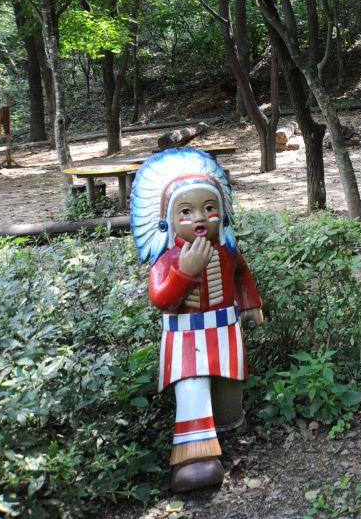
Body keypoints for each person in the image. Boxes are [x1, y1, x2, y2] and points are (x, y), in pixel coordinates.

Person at [130, 148, 265, 492]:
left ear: (222, 213)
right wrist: (184, 273)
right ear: (169, 219)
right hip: (186, 338)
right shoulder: (168, 258)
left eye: (209, 208)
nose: (200, 218)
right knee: (192, 389)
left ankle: (225, 431)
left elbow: (241, 275)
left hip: (224, 330)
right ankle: (193, 457)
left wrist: (251, 304)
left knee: (228, 390)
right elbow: (161, 297)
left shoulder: (227, 250)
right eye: (186, 211)